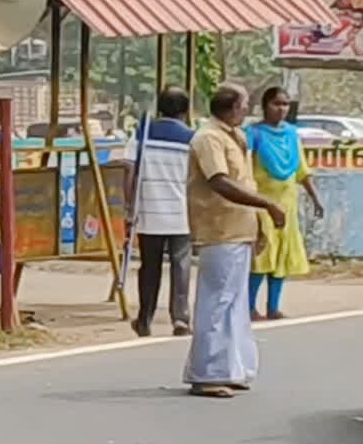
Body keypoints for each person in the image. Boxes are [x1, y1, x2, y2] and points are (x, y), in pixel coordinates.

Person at [184, 83, 286, 399]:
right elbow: (220, 182)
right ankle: (206, 372)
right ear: (232, 107)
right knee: (216, 302)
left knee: (235, 304)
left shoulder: (236, 137)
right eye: (244, 105)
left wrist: (259, 225)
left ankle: (232, 368)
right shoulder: (209, 138)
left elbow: (244, 181)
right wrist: (266, 204)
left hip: (240, 229)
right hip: (219, 229)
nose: (247, 111)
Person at [244, 86, 325, 321]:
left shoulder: (292, 134)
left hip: (287, 204)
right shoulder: (254, 133)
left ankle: (273, 307)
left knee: (282, 258)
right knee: (261, 257)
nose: (281, 109)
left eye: (285, 104)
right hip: (262, 204)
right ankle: (249, 307)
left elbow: (301, 170)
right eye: (276, 104)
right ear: (265, 106)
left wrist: (315, 197)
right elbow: (246, 167)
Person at [126, 85, 195, 338]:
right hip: (181, 212)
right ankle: (181, 318)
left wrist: (129, 205)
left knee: (150, 267)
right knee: (181, 265)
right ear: (185, 111)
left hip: (149, 211)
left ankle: (145, 318)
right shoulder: (192, 138)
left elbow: (129, 170)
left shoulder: (143, 133)